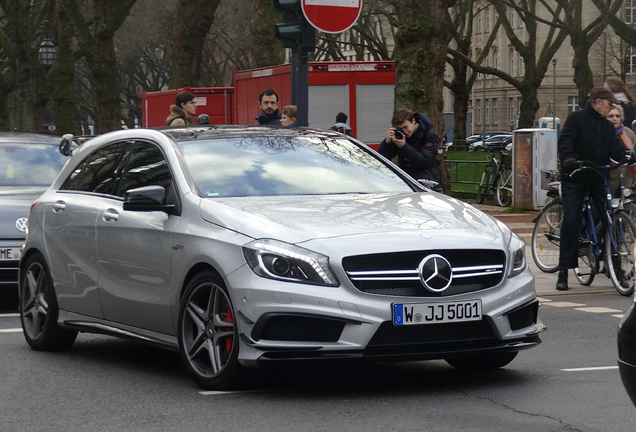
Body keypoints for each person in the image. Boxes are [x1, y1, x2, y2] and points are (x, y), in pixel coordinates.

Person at [556, 86, 629, 291]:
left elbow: (615, 147)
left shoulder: (606, 127)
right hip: (575, 178)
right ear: (597, 102)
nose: (611, 108)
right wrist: (569, 158)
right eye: (609, 104)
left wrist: (627, 154)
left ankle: (615, 269)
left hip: (597, 178)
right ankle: (564, 271)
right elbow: (566, 141)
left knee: (610, 218)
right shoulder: (576, 120)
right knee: (571, 220)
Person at [378, 108, 440, 184]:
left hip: (426, 179)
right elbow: (382, 158)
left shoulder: (428, 133)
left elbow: (424, 162)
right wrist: (387, 143)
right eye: (400, 129)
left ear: (413, 121)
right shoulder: (400, 135)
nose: (405, 131)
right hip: (406, 178)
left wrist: (403, 146)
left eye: (405, 127)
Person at [608, 104, 636, 194]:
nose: (614, 118)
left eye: (617, 116)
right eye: (611, 116)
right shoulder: (601, 133)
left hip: (627, 182)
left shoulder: (630, 134)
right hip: (609, 181)